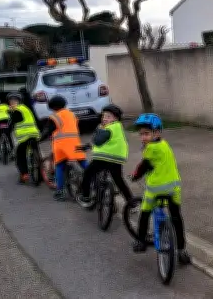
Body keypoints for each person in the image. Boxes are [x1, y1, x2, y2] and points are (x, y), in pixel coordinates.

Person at [130, 113, 191, 265]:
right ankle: (182, 251)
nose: (143, 137)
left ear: (156, 133)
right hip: (174, 188)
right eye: (141, 134)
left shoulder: (150, 149)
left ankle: (141, 241)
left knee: (144, 213)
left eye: (147, 133)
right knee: (176, 217)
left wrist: (135, 177)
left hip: (156, 189)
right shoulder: (165, 145)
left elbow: (143, 167)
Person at [78, 104, 134, 206]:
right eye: (104, 116)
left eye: (108, 116)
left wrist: (99, 129)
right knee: (119, 180)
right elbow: (105, 141)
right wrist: (88, 145)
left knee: (88, 173)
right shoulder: (118, 127)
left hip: (103, 158)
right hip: (117, 158)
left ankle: (85, 197)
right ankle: (132, 203)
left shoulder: (108, 128)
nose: (105, 119)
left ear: (115, 118)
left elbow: (98, 141)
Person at [38, 95, 85, 201]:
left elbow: (47, 130)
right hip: (75, 143)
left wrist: (40, 139)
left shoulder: (55, 117)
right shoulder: (72, 114)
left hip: (61, 145)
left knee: (59, 166)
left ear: (53, 107)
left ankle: (60, 191)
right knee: (82, 161)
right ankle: (94, 178)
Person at [7, 92, 41, 184]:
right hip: (34, 135)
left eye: (13, 101)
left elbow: (12, 122)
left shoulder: (17, 110)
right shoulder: (26, 108)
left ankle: (24, 174)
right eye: (11, 101)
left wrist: (10, 112)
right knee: (37, 153)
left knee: (20, 155)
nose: (12, 103)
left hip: (24, 137)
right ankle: (40, 174)